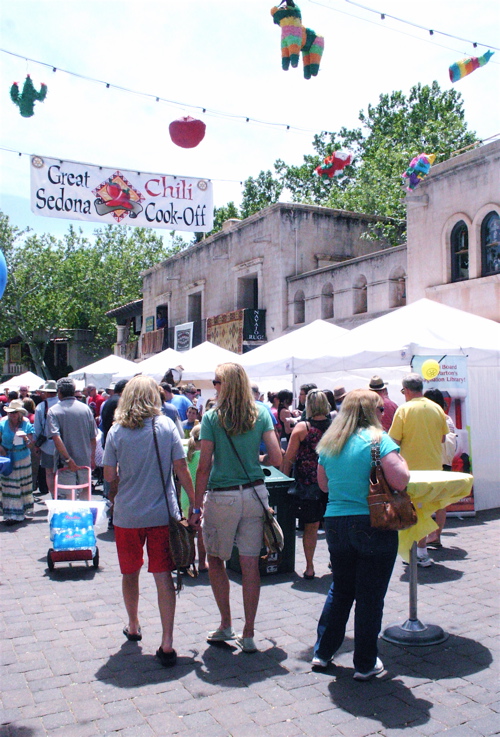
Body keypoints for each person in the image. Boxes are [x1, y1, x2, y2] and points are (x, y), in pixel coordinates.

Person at [312, 389, 409, 679]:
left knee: (341, 589)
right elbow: (401, 480)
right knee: (369, 595)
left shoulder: (330, 443)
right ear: (371, 412)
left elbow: (324, 485)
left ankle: (323, 652)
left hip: (336, 523)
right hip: (372, 523)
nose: (383, 414)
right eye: (380, 409)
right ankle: (365, 663)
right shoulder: (379, 440)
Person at [103, 376, 198, 667]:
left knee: (129, 573)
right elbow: (180, 468)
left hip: (127, 516)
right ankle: (167, 643)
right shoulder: (166, 426)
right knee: (163, 576)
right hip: (161, 515)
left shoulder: (116, 431)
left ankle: (133, 625)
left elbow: (108, 477)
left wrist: (127, 479)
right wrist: (194, 504)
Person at [195, 363, 282, 653]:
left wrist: (196, 506)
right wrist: (255, 460)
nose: (214, 385)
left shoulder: (211, 418)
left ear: (225, 384)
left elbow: (204, 466)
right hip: (256, 493)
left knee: (216, 560)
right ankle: (248, 632)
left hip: (223, 496)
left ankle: (226, 623)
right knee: (249, 564)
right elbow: (277, 457)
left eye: (216, 381)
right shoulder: (261, 413)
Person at [389, 373, 448, 566]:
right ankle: (420, 548)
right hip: (434, 468)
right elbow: (441, 439)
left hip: (410, 470)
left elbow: (394, 442)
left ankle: (419, 551)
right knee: (425, 510)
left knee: (413, 512)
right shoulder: (437, 408)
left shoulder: (403, 410)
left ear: (406, 390)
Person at [282, 390, 332, 579]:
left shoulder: (303, 428)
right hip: (332, 481)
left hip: (308, 484)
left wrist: (284, 480)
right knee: (332, 526)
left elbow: (289, 458)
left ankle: (310, 567)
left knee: (310, 526)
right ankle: (335, 561)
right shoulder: (336, 427)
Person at [46, 378, 97, 496]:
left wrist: (68, 459)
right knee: (85, 493)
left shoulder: (53, 411)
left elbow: (56, 437)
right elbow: (93, 437)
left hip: (65, 462)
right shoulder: (86, 409)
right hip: (84, 460)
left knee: (68, 497)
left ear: (59, 391)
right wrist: (92, 457)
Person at [423, 388, 458, 549]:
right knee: (441, 503)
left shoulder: (433, 418)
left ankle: (430, 536)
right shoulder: (447, 419)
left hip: (434, 462)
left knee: (427, 501)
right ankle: (437, 535)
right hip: (446, 463)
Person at [0, 399, 35, 525]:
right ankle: (11, 514)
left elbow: (31, 445)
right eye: (10, 412)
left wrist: (25, 437)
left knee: (22, 485)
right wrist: (1, 448)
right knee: (10, 486)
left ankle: (21, 512)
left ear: (20, 413)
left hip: (23, 458)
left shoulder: (26, 424)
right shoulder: (2, 423)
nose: (12, 414)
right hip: (7, 458)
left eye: (15, 412)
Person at [33, 380, 59, 496]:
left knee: (49, 472)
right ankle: (63, 495)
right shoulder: (62, 404)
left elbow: (37, 428)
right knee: (62, 472)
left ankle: (54, 496)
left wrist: (36, 445)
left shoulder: (41, 407)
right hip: (63, 443)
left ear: (46, 392)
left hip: (47, 444)